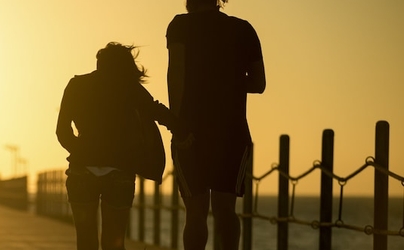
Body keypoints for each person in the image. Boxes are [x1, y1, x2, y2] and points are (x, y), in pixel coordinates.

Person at [56, 42, 184, 250]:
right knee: (114, 242)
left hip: (81, 173)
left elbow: (62, 131)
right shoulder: (129, 87)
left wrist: (82, 152)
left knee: (85, 240)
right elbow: (156, 111)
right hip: (120, 172)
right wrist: (183, 131)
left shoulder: (76, 85)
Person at [165, 0, 266, 249]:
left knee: (195, 213)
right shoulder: (244, 29)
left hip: (190, 132)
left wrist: (177, 125)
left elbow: (175, 74)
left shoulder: (180, 25)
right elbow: (259, 83)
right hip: (232, 133)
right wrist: (227, 79)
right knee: (226, 211)